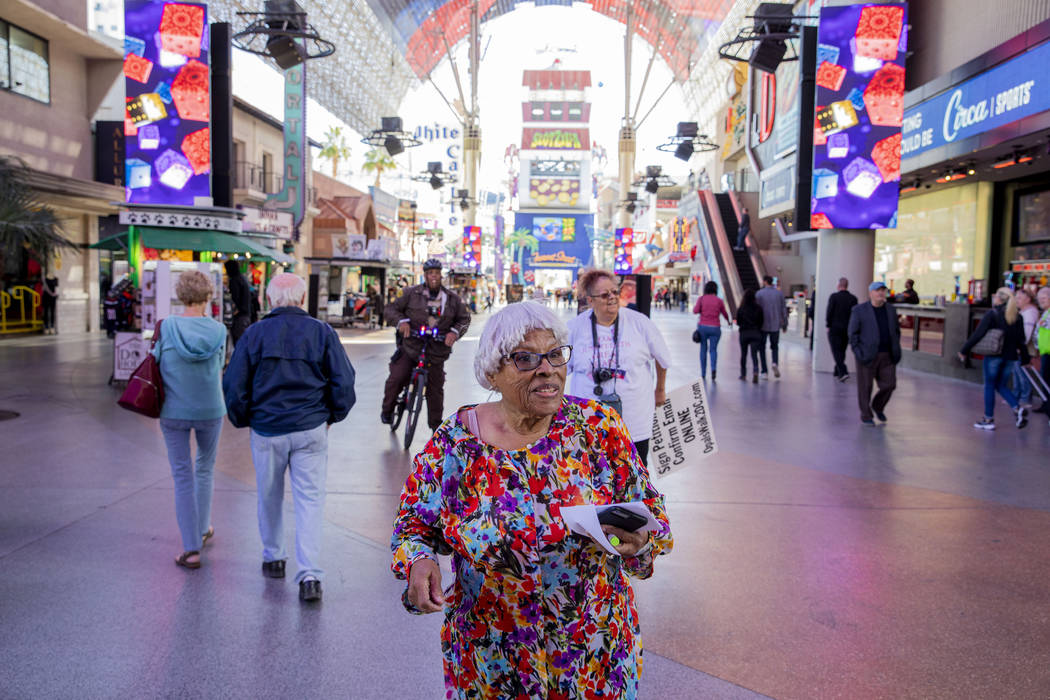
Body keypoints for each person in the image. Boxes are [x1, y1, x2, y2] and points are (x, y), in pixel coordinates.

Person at [391, 302, 673, 699]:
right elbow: (413, 523)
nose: (547, 369)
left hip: (591, 650)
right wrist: (418, 560)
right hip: (492, 655)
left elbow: (651, 515)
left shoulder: (597, 427)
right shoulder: (457, 440)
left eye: (556, 354)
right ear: (492, 372)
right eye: (525, 359)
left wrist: (640, 541)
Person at [223, 273, 357, 603]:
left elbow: (234, 384)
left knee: (268, 495)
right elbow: (344, 382)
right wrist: (331, 417)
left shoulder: (254, 334)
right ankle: (310, 575)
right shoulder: (322, 332)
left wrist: (245, 419)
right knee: (310, 500)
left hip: (267, 428)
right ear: (301, 299)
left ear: (269, 300)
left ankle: (273, 558)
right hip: (310, 427)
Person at [153, 270, 227, 570]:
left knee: (182, 475)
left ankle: (191, 549)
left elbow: (155, 361)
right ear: (208, 296)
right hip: (210, 409)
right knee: (205, 469)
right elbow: (220, 365)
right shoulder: (219, 330)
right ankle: (203, 527)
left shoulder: (167, 326)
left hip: (174, 410)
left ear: (180, 296)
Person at [565, 269, 671, 466]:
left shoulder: (639, 323)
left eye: (615, 292)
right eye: (605, 295)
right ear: (589, 300)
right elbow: (561, 369)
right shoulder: (574, 328)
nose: (612, 298)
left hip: (634, 420)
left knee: (635, 477)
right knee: (593, 477)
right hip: (588, 423)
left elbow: (663, 359)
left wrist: (660, 390)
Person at [380, 258, 471, 431]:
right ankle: (388, 410)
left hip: (436, 351)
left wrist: (454, 332)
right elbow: (390, 309)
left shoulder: (451, 299)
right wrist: (402, 322)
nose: (434, 276)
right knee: (397, 377)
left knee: (435, 390)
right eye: (430, 273)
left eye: (437, 273)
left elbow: (464, 319)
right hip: (411, 347)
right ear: (425, 275)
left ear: (441, 275)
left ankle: (435, 428)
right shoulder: (410, 293)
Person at [957, 287, 1030, 430]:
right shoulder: (1018, 317)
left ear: (998, 299)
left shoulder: (992, 314)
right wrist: (1026, 359)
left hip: (994, 356)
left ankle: (988, 419)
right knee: (1001, 385)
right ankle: (1017, 408)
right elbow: (1021, 340)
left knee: (990, 385)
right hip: (1010, 357)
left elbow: (978, 334)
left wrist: (964, 350)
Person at [848, 281, 902, 426]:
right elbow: (853, 334)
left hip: (887, 355)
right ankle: (866, 415)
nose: (880, 293)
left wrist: (896, 348)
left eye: (883, 290)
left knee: (889, 385)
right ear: (870, 293)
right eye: (877, 290)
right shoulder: (859, 310)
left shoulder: (890, 310)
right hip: (867, 355)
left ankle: (877, 406)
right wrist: (858, 352)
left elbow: (896, 331)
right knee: (865, 388)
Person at [692, 280, 730, 381]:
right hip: (715, 328)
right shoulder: (719, 300)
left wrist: (702, 309)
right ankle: (713, 370)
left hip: (703, 327)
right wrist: (729, 322)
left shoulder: (702, 299)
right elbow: (725, 313)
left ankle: (703, 373)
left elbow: (695, 311)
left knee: (703, 349)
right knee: (713, 350)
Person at [756, 276, 788, 379]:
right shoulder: (779, 294)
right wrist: (784, 324)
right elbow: (784, 309)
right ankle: (774, 363)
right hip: (775, 325)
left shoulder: (759, 294)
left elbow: (756, 309)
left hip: (763, 325)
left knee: (762, 347)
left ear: (765, 282)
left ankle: (764, 371)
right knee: (775, 346)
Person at [826, 277, 858, 381]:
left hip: (835, 328)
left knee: (836, 350)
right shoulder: (853, 299)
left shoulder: (834, 297)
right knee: (842, 350)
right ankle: (838, 371)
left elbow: (829, 312)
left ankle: (843, 371)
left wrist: (828, 325)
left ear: (839, 285)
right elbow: (855, 315)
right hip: (847, 329)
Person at [1012, 288, 1039, 408]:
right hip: (1020, 348)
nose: (1017, 300)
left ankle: (1025, 398)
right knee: (1017, 373)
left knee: (1022, 373)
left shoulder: (1030, 312)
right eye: (1016, 298)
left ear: (1028, 299)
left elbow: (1027, 333)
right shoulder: (1023, 311)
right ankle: (1016, 396)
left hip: (1024, 350)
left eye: (1019, 298)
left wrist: (1019, 347)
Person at [736, 287, 764, 383]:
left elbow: (738, 322)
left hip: (744, 333)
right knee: (754, 354)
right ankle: (755, 371)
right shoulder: (759, 308)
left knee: (744, 354)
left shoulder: (741, 308)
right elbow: (761, 322)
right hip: (755, 333)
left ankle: (743, 375)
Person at [224, 260, 252, 344]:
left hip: (239, 318)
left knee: (239, 344)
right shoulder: (243, 279)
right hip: (246, 316)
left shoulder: (234, 281)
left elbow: (235, 299)